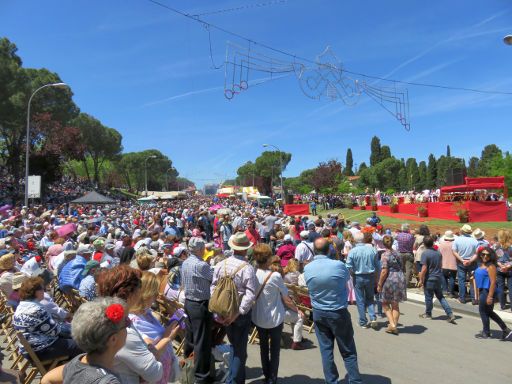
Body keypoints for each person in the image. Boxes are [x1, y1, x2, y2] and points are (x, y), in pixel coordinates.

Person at [304, 238, 362, 384]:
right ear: (329, 249)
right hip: (337, 312)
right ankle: (354, 380)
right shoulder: (338, 265)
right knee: (348, 350)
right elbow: (346, 280)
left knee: (326, 350)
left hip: (319, 312)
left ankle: (331, 381)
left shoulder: (308, 268)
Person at [96, 265, 164, 384]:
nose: (141, 292)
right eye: (139, 288)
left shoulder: (103, 317)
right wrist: (154, 355)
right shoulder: (122, 331)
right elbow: (155, 374)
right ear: (129, 294)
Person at [41, 298, 129, 384]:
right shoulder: (108, 381)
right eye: (127, 324)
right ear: (113, 339)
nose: (129, 327)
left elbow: (47, 379)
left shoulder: (79, 361)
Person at [252, 243, 302, 383]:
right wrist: (297, 310)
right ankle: (272, 378)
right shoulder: (274, 276)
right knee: (274, 350)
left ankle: (267, 376)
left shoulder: (254, 273)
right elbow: (286, 298)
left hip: (259, 317)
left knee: (263, 348)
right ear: (268, 259)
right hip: (274, 318)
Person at [211, 232, 256, 384]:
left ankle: (237, 378)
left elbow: (213, 288)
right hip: (239, 314)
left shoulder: (220, 264)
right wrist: (238, 313)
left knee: (234, 346)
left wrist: (221, 311)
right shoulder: (247, 268)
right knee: (239, 350)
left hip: (224, 312)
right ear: (245, 249)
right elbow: (250, 294)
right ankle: (233, 381)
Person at [13, 276, 82, 360]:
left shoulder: (21, 306)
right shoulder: (35, 310)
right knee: (82, 343)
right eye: (43, 289)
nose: (44, 291)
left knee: (72, 338)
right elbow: (55, 332)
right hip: (40, 350)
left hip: (28, 350)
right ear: (36, 292)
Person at [129, 272, 181, 383]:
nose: (157, 296)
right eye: (154, 292)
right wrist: (168, 337)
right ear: (145, 295)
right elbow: (149, 355)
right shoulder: (134, 322)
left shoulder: (145, 312)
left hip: (161, 374)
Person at [181, 236, 214, 384]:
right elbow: (214, 279)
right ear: (200, 249)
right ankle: (201, 376)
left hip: (189, 302)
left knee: (191, 338)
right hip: (200, 304)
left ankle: (188, 366)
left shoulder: (186, 262)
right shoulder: (201, 265)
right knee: (202, 341)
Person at [474, 247, 512, 340]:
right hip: (482, 290)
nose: (485, 256)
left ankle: (486, 332)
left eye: (487, 254)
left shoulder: (491, 266)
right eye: (483, 254)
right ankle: (505, 329)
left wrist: (490, 297)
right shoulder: (481, 264)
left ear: (491, 256)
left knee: (483, 312)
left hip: (487, 291)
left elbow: (493, 282)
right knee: (489, 312)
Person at [418, 236, 456, 323]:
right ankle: (450, 313)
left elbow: (424, 268)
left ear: (424, 244)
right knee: (440, 297)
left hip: (429, 278)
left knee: (428, 297)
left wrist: (421, 279)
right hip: (438, 277)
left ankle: (428, 314)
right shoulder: (438, 253)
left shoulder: (425, 253)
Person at [346, 232, 378, 329]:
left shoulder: (353, 251)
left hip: (358, 276)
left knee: (360, 300)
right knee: (370, 298)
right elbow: (377, 265)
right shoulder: (372, 250)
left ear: (355, 240)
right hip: (370, 276)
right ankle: (372, 317)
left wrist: (351, 273)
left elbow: (348, 266)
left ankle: (363, 321)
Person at [377, 235, 406, 335]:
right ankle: (394, 326)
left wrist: (379, 284)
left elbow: (384, 271)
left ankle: (392, 325)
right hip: (399, 277)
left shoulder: (384, 255)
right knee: (395, 304)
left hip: (390, 279)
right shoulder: (398, 253)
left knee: (385, 303)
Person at [452, 224, 479, 304]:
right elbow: (477, 253)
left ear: (462, 231)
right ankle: (474, 298)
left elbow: (454, 251)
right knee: (472, 280)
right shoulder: (475, 241)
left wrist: (462, 260)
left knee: (461, 280)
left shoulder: (457, 240)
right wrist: (470, 261)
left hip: (461, 262)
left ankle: (462, 298)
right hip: (472, 262)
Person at [495, 229, 512, 311]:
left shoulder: (498, 247)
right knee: (511, 288)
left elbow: (498, 259)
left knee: (500, 287)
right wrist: (507, 266)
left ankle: (502, 305)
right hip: (510, 270)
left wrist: (501, 266)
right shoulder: (510, 247)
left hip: (500, 269)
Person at [438, 231, 458, 298]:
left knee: (443, 277)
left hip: (443, 264)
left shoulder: (441, 244)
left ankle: (445, 290)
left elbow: (439, 254)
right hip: (453, 264)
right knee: (452, 278)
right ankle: (451, 292)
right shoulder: (455, 244)